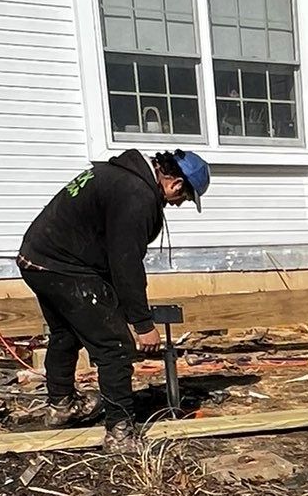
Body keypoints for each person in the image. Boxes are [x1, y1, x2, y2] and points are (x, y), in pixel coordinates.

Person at [16, 148, 209, 433]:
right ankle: (120, 430)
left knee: (66, 335)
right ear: (176, 184)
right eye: (184, 198)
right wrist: (142, 324)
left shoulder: (118, 175)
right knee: (116, 348)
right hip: (65, 266)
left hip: (37, 259)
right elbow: (125, 263)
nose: (178, 204)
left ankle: (61, 407)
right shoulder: (137, 195)